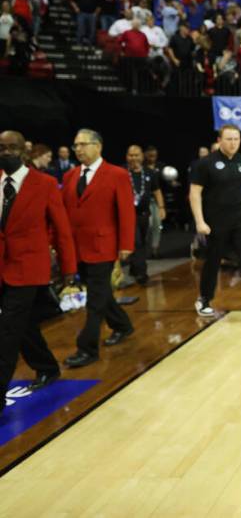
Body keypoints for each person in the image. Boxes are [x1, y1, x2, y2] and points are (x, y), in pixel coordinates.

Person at [0, 131, 76, 419]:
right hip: (2, 268)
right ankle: (46, 366)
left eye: (12, 147)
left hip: (29, 268)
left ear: (24, 151)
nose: (6, 152)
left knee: (7, 331)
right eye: (1, 147)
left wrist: (69, 268)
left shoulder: (44, 184)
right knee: (24, 324)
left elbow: (62, 229)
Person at [61, 129, 137, 368]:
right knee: (101, 293)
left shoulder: (117, 174)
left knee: (95, 299)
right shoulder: (71, 175)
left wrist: (126, 244)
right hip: (78, 247)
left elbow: (126, 212)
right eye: (76, 145)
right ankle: (122, 325)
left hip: (104, 246)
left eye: (83, 144)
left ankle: (87, 348)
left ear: (98, 146)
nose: (79, 149)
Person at [189, 124, 241, 322]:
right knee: (213, 261)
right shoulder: (205, 163)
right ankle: (204, 299)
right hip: (216, 222)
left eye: (236, 139)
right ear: (220, 140)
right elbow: (194, 193)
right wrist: (199, 221)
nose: (233, 143)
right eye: (229, 139)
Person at [125, 145, 164, 286]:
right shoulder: (121, 172)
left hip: (144, 214)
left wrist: (161, 207)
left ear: (142, 156)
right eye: (131, 155)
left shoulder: (149, 173)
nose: (133, 158)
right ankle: (142, 274)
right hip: (128, 215)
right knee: (136, 242)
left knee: (142, 241)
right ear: (126, 157)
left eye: (136, 155)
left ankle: (134, 269)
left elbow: (157, 190)